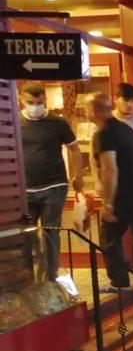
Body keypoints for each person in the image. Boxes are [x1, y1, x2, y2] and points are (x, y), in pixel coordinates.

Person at [87, 93, 133, 290]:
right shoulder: (125, 128)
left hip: (126, 192)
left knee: (109, 237)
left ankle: (119, 282)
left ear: (92, 111)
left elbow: (110, 169)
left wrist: (108, 203)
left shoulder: (104, 133)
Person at [19, 83, 85, 280]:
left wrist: (78, 176)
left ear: (45, 100)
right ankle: (29, 275)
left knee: (51, 231)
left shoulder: (57, 122)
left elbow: (74, 148)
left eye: (39, 102)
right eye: (30, 102)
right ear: (22, 100)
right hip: (24, 188)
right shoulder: (15, 122)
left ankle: (50, 275)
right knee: (26, 234)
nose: (35, 106)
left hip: (54, 185)